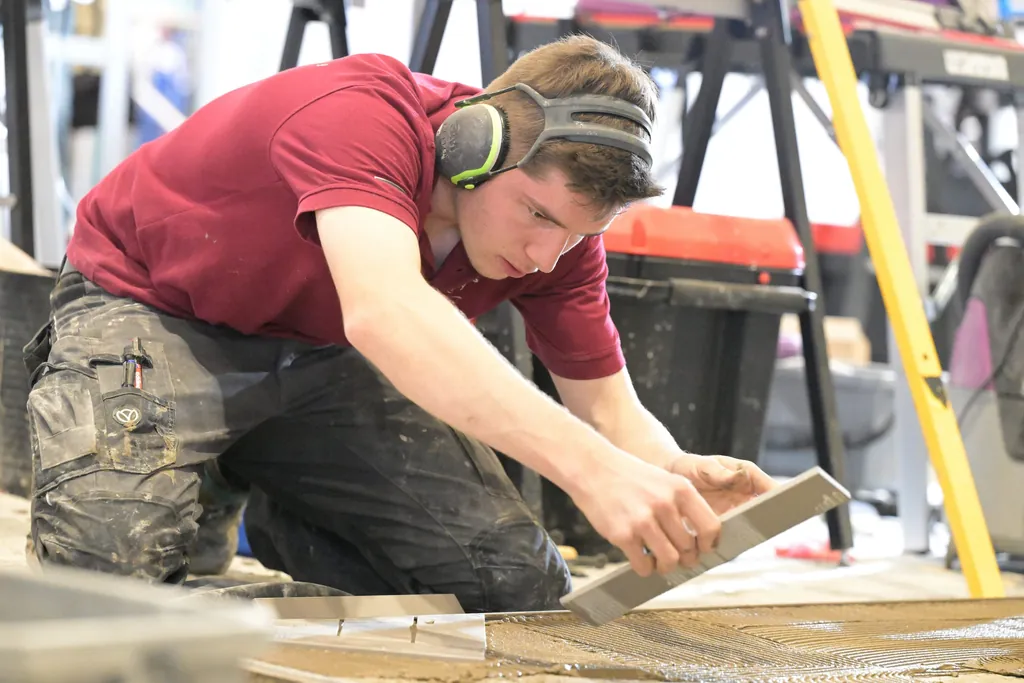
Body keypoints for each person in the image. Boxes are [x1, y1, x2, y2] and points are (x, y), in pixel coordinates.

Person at [22, 34, 776, 612]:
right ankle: (207, 476)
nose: (545, 255)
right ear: (472, 146)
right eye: (537, 215)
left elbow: (607, 406)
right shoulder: (360, 116)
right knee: (103, 589)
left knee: (513, 585)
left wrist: (668, 470)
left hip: (318, 353)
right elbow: (385, 311)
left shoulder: (561, 240)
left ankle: (272, 485)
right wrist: (593, 472)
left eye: (579, 234)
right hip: (153, 312)